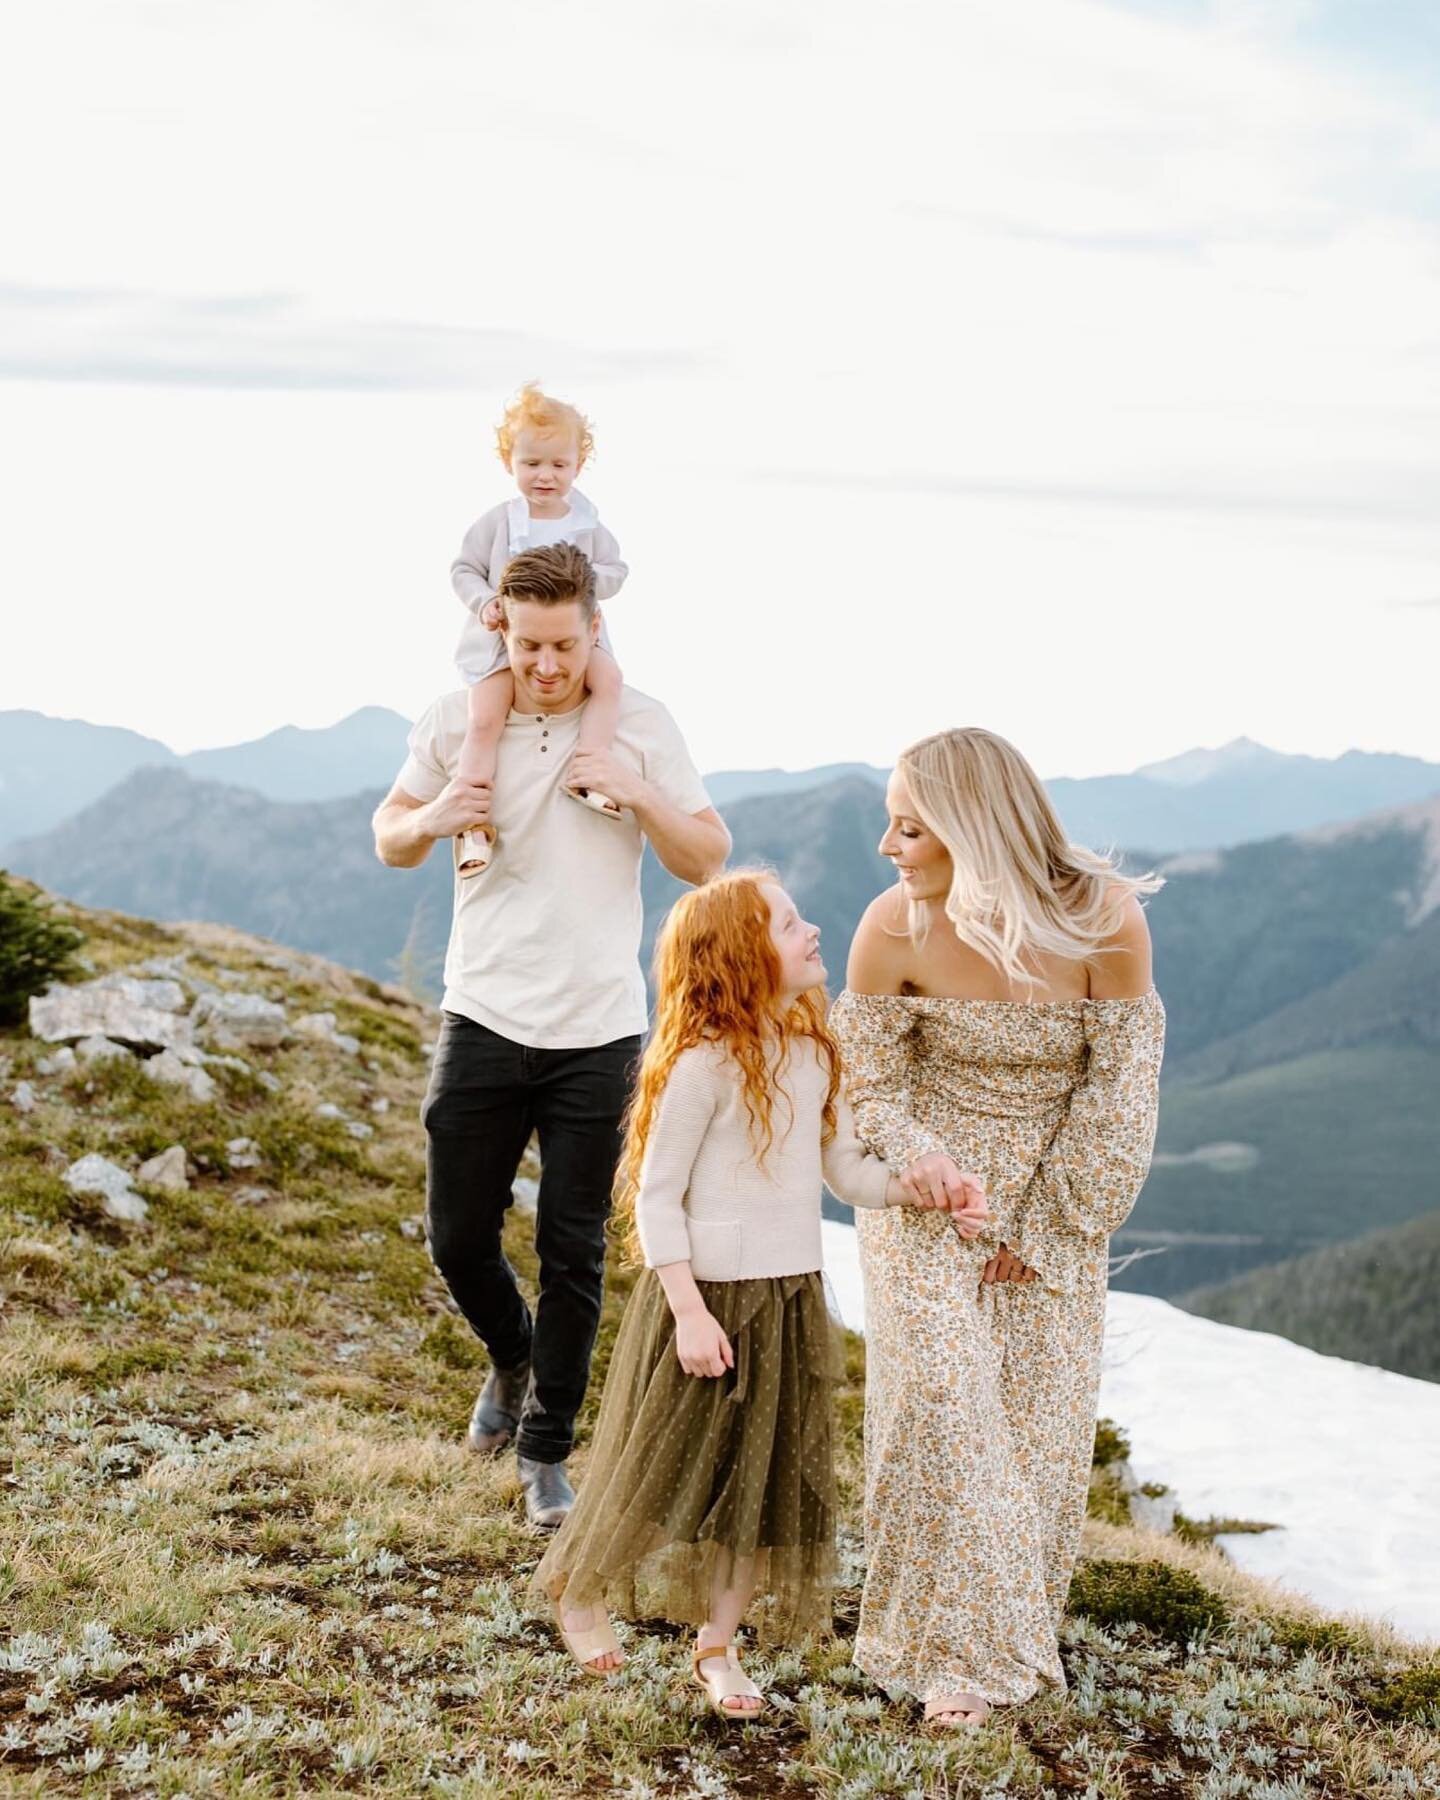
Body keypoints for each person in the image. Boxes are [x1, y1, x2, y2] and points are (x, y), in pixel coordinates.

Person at [532, 870, 989, 1717]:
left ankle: (718, 1646)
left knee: (762, 1485)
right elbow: (656, 1196)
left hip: (787, 1300)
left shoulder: (817, 1052)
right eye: (787, 924)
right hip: (704, 1302)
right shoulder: (701, 1066)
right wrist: (690, 1312)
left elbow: (845, 1171)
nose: (812, 930)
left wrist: (922, 1188)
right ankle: (577, 1589)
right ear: (743, 956)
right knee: (661, 1470)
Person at [372, 541, 730, 1530]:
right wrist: (441, 811)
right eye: (527, 645)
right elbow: (390, 836)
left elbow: (708, 857)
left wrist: (636, 788)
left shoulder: (641, 723)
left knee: (573, 1252)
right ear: (502, 629)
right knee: (456, 1238)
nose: (544, 665)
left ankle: (544, 1451)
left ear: (593, 629)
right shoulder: (457, 719)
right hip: (483, 1011)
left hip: (599, 1031)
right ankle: (514, 1353)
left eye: (562, 645)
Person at [830, 727, 1165, 1729]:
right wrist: (923, 1162)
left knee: (1032, 1423)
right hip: (927, 1199)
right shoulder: (891, 927)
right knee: (940, 1407)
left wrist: (1059, 1222)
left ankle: (989, 1638)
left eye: (911, 826)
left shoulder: (1105, 922)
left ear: (974, 832)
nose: (889, 845)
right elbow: (868, 1082)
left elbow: (1122, 1087)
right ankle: (936, 1654)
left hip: (1057, 1196)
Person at [449, 383, 629, 873]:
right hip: (502, 638)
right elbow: (463, 568)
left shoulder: (587, 523)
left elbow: (617, 569)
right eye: (531, 463)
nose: (544, 476)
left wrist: (587, 583)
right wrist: (484, 601)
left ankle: (588, 771)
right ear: (510, 461)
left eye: (557, 465)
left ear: (577, 464)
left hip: (569, 637)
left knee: (608, 682)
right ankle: (473, 822)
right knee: (485, 719)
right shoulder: (499, 521)